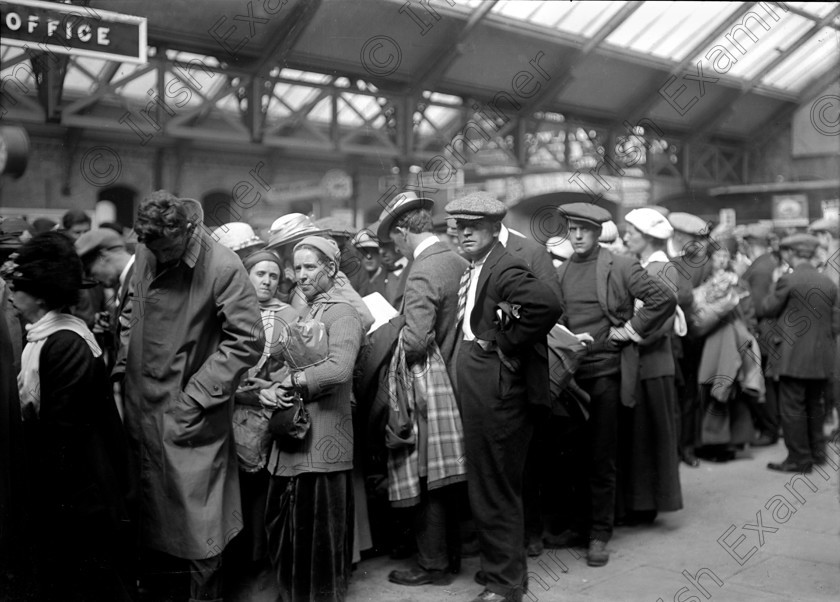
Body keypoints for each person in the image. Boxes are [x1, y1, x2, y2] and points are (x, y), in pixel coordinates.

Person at [120, 191, 263, 602]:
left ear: (187, 231)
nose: (159, 258)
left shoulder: (223, 265)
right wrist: (121, 370)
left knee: (200, 525)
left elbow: (248, 341)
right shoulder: (149, 248)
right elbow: (132, 310)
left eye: (167, 250)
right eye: (152, 250)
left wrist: (197, 396)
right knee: (148, 514)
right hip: (141, 405)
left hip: (191, 413)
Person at [3, 232, 134, 601]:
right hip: (73, 484)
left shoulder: (64, 343)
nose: (12, 293)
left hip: (81, 490)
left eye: (20, 287)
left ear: (41, 296)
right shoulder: (48, 336)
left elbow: (65, 434)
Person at [446, 192, 560, 602]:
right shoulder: (481, 265)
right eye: (459, 227)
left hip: (495, 386)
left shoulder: (504, 264)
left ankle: (505, 584)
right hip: (482, 382)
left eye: (473, 227)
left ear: (495, 229)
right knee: (492, 482)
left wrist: (506, 344)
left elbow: (547, 304)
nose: (464, 234)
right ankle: (503, 571)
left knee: (494, 485)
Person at [552, 202, 675, 568]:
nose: (576, 236)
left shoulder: (619, 265)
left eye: (584, 230)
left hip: (606, 372)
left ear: (598, 232)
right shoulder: (560, 272)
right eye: (571, 229)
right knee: (572, 456)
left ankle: (599, 535)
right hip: (570, 377)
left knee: (601, 457)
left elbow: (663, 298)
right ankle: (578, 527)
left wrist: (632, 330)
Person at [262, 236, 364, 602]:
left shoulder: (342, 312)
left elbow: (338, 369)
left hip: (324, 439)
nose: (301, 275)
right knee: (289, 528)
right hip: (297, 435)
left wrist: (293, 381)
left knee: (318, 532)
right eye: (298, 267)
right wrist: (272, 386)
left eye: (310, 267)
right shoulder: (308, 311)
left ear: (331, 269)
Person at [375, 192, 469, 587]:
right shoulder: (457, 259)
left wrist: (382, 338)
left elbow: (414, 340)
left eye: (393, 239)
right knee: (448, 478)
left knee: (425, 476)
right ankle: (451, 558)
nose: (394, 246)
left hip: (432, 386)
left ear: (401, 232)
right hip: (463, 381)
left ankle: (432, 565)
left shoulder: (423, 269)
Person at [618, 208, 683, 524]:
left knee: (649, 435)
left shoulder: (661, 269)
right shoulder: (649, 266)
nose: (626, 235)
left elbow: (661, 323)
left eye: (631, 231)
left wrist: (629, 334)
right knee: (643, 435)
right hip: (646, 362)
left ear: (647, 236)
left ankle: (647, 505)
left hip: (652, 363)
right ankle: (642, 501)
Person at [763, 234, 840, 473]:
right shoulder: (828, 282)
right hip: (822, 357)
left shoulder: (788, 280)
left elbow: (767, 308)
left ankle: (798, 458)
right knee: (815, 405)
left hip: (793, 356)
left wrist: (774, 285)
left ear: (791, 254)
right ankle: (817, 453)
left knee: (793, 407)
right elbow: (836, 323)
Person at [667, 212, 715, 467]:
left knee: (680, 394)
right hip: (697, 335)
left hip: (680, 336)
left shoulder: (674, 263)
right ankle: (687, 447)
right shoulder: (706, 264)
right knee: (689, 394)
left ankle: (680, 448)